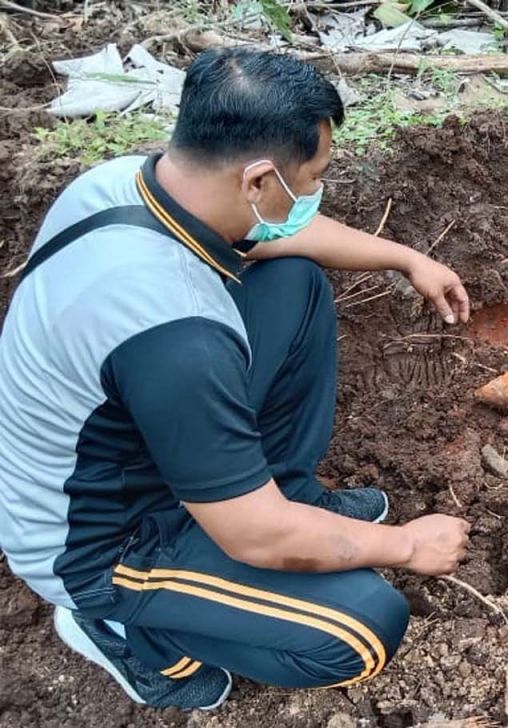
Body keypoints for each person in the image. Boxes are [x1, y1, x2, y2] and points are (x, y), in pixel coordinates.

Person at [0, 48, 473, 709]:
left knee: (293, 282)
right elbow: (256, 534)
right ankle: (121, 629)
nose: (313, 193)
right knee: (364, 628)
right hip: (104, 540)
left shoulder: (122, 184)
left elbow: (281, 239)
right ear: (257, 181)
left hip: (131, 435)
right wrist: (406, 545)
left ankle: (288, 492)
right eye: (312, 178)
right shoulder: (177, 337)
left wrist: (405, 258)